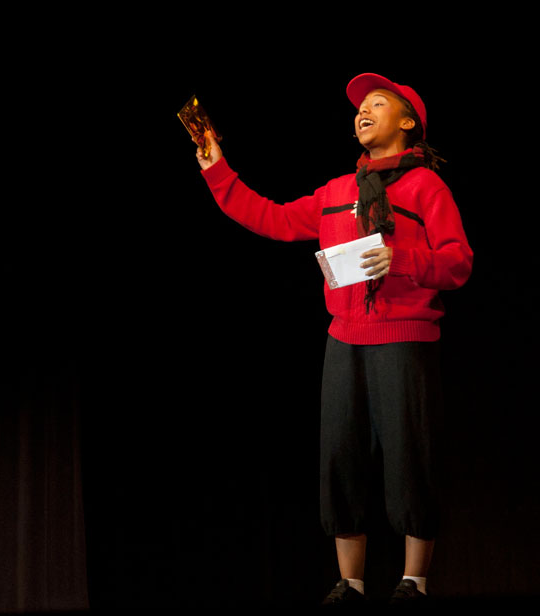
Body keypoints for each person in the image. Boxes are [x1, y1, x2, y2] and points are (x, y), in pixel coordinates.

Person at [192, 73, 473, 606]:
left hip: (404, 337)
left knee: (411, 456)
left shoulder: (426, 187)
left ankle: (414, 582)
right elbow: (269, 218)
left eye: (378, 103)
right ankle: (351, 583)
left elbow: (459, 262)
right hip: (343, 340)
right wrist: (215, 168)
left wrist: (404, 259)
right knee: (340, 456)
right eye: (360, 106)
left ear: (407, 122)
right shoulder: (336, 193)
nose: (363, 111)